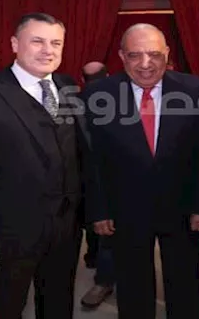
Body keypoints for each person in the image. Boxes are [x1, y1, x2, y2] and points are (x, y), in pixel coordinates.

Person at [0, 13, 87, 319]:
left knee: (58, 306)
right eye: (37, 41)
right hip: (4, 233)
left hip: (65, 229)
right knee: (4, 309)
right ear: (14, 44)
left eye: (56, 43)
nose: (48, 50)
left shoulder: (67, 86)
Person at [83, 23, 199, 318]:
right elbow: (93, 160)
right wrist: (99, 210)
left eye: (154, 54)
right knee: (133, 286)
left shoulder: (196, 89)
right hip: (124, 210)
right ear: (122, 56)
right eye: (135, 55)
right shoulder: (97, 94)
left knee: (185, 284)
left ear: (167, 54)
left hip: (183, 209)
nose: (146, 64)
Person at [78, 61, 116, 309]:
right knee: (106, 233)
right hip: (94, 177)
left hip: (107, 177)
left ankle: (103, 275)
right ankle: (104, 279)